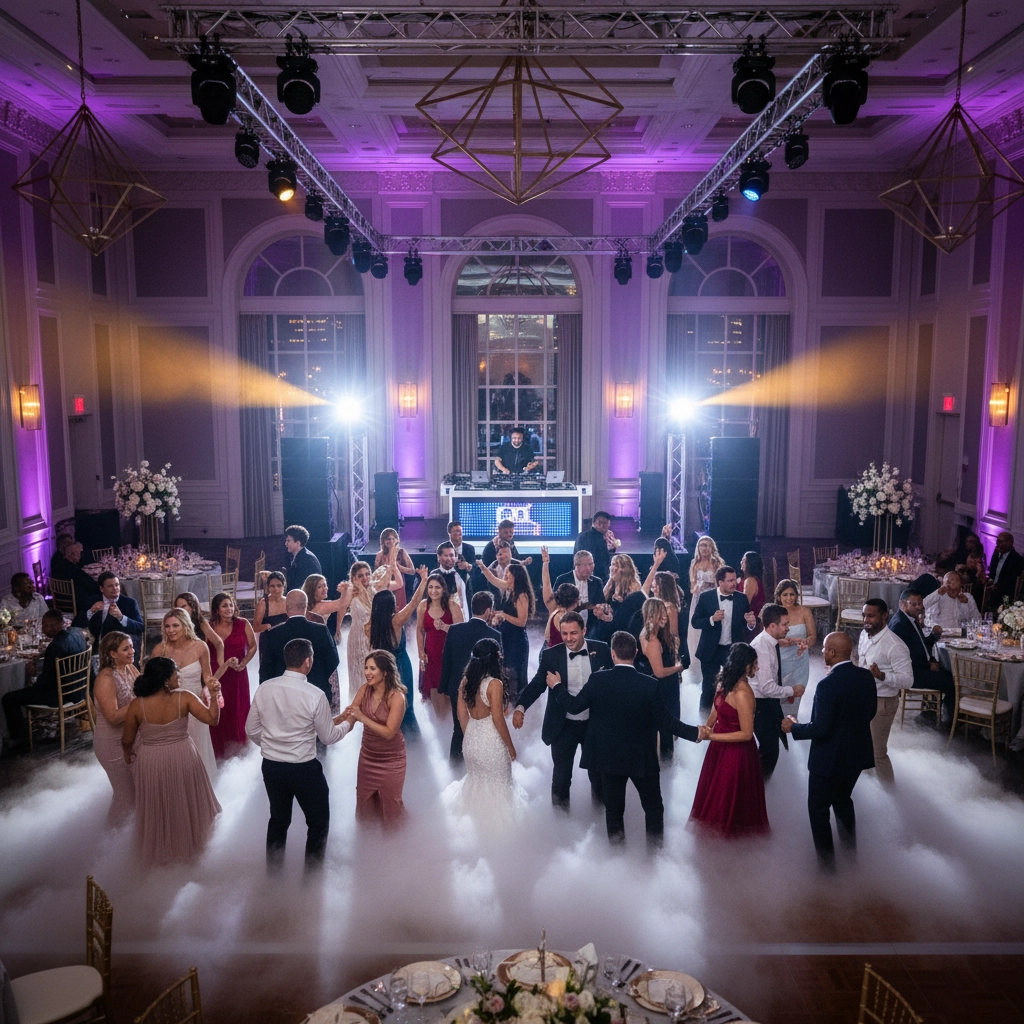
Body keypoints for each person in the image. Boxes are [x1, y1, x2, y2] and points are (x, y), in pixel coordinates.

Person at [545, 631, 702, 849]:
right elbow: (667, 722)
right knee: (654, 808)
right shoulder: (650, 685)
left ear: (612, 654)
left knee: (614, 810)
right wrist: (696, 733)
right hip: (642, 758)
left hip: (608, 758)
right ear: (636, 652)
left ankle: (617, 856)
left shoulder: (597, 680)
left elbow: (573, 706)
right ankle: (654, 855)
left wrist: (556, 686)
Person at [245, 638, 354, 871]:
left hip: (272, 767)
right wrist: (349, 724)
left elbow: (251, 730)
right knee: (318, 822)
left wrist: (272, 745)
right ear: (307, 661)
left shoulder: (265, 688)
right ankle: (311, 880)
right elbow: (328, 737)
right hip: (303, 768)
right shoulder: (315, 695)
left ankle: (273, 876)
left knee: (278, 820)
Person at [783, 632, 877, 872]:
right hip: (856, 755)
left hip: (829, 760)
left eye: (824, 649)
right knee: (843, 801)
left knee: (818, 810)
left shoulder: (827, 685)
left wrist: (793, 727)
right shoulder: (866, 677)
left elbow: (821, 728)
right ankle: (850, 858)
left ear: (833, 653)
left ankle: (827, 870)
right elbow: (870, 713)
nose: (822, 652)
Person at [121, 657, 222, 864]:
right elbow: (212, 719)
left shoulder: (136, 705)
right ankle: (191, 848)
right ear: (166, 679)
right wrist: (212, 694)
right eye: (176, 672)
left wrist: (127, 754)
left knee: (158, 805)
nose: (179, 675)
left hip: (150, 760)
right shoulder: (184, 697)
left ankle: (163, 852)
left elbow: (127, 740)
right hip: (183, 755)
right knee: (184, 800)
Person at [515, 611, 613, 811]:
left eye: (573, 633)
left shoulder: (602, 649)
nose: (568, 638)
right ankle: (560, 824)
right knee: (561, 776)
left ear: (584, 630)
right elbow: (537, 684)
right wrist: (521, 706)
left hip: (593, 724)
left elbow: (613, 684)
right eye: (564, 633)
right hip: (562, 724)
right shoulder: (551, 655)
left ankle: (600, 818)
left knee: (598, 776)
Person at [689, 642, 770, 838]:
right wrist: (705, 729)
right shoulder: (724, 684)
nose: (757, 667)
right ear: (744, 665)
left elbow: (746, 734)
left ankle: (729, 840)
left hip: (737, 752)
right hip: (721, 749)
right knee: (716, 794)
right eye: (755, 663)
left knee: (729, 797)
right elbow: (715, 713)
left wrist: (712, 736)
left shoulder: (744, 693)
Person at [444, 639, 526, 823]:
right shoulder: (494, 683)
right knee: (499, 788)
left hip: (471, 739)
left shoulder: (466, 680)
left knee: (476, 785)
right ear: (495, 657)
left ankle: (473, 828)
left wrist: (471, 737)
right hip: (491, 743)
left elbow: (461, 714)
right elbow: (497, 718)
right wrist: (510, 747)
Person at [153, 608, 232, 783]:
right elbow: (153, 682)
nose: (171, 630)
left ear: (185, 625)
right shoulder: (160, 649)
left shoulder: (200, 647)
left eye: (175, 625)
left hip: (196, 707)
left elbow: (207, 676)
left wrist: (212, 687)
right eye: (167, 626)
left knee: (198, 748)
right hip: (170, 710)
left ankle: (203, 787)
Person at [2, 610, 88, 746]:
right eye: (44, 626)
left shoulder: (55, 647)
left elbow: (45, 683)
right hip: (79, 690)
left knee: (8, 698)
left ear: (61, 624)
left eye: (51, 626)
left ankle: (19, 740)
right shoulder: (77, 634)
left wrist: (31, 678)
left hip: (61, 696)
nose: (47, 629)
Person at [439, 591, 502, 764]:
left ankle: (454, 769)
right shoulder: (495, 635)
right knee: (482, 731)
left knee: (458, 729)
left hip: (455, 687)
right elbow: (497, 669)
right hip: (483, 693)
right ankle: (477, 767)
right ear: (488, 611)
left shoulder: (454, 630)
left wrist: (444, 688)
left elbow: (446, 660)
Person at [856, 598, 913, 786]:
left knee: (877, 753)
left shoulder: (895, 645)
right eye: (864, 615)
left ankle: (891, 794)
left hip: (883, 703)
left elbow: (908, 680)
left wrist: (882, 676)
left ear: (884, 615)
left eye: (871, 616)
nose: (866, 620)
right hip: (863, 698)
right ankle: (869, 790)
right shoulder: (865, 634)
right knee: (862, 747)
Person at [368, 567, 430, 736]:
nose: (396, 603)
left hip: (382, 668)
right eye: (393, 601)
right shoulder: (396, 621)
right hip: (399, 666)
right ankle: (411, 741)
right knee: (405, 705)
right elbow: (413, 603)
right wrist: (424, 580)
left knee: (387, 705)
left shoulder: (372, 625)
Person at [349, 649, 408, 826]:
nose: (367, 672)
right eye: (366, 668)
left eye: (372, 668)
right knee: (365, 804)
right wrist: (326, 724)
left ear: (385, 671)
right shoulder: (364, 690)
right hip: (367, 757)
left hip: (392, 759)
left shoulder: (397, 696)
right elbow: (351, 715)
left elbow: (390, 732)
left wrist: (362, 717)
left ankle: (396, 845)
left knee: (391, 804)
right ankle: (366, 845)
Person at [258, 590, 341, 715]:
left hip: (284, 699)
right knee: (316, 733)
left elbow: (265, 670)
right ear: (305, 607)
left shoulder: (273, 634)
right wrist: (317, 677)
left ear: (286, 607)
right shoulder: (321, 630)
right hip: (317, 692)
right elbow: (334, 660)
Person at [749, 603, 806, 782]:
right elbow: (766, 687)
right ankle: (760, 788)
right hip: (760, 703)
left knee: (778, 742)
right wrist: (792, 690)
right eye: (784, 625)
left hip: (769, 701)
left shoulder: (770, 641)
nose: (788, 628)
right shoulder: (762, 648)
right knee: (769, 750)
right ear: (772, 626)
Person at [691, 565, 757, 715]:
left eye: (735, 580)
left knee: (736, 685)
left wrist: (751, 624)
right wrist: (712, 619)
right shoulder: (706, 597)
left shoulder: (742, 598)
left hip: (732, 650)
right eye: (730, 580)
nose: (735, 583)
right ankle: (704, 721)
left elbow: (747, 625)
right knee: (708, 687)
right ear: (720, 582)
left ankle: (733, 718)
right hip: (711, 650)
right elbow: (695, 622)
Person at [888, 587, 956, 723]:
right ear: (902, 604)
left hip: (918, 668)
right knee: (951, 680)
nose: (919, 607)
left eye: (920, 603)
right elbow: (903, 657)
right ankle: (950, 721)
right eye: (914, 604)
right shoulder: (900, 625)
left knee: (946, 672)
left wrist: (933, 636)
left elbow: (921, 647)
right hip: (912, 673)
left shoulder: (909, 619)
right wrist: (928, 665)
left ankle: (929, 712)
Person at [92, 631, 139, 825]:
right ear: (112, 654)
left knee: (134, 793)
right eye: (126, 649)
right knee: (125, 797)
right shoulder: (105, 678)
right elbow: (112, 717)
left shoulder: (129, 668)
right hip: (110, 743)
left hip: (129, 738)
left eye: (131, 647)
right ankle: (112, 841)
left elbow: (143, 689)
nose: (132, 651)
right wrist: (138, 705)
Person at [208, 592, 257, 759]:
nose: (229, 608)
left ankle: (240, 748)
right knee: (219, 710)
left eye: (230, 605)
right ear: (217, 610)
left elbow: (253, 647)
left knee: (238, 709)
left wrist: (244, 663)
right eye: (224, 606)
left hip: (237, 675)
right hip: (216, 674)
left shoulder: (243, 623)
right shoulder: (210, 627)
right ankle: (219, 750)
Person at [637, 598, 686, 764]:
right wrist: (678, 667)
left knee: (665, 729)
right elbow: (659, 672)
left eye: (664, 613)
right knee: (664, 730)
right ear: (652, 614)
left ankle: (665, 768)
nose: (664, 616)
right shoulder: (652, 640)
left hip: (666, 687)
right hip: (662, 688)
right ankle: (665, 767)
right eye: (661, 613)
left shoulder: (654, 633)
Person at [476, 560, 534, 697]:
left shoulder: (522, 595)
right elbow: (493, 580)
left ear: (516, 576)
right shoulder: (510, 589)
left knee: (514, 674)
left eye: (508, 573)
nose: (505, 575)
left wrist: (503, 615)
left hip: (517, 640)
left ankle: (516, 704)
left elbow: (521, 622)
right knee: (505, 671)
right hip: (506, 637)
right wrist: (483, 567)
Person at [416, 571, 464, 713]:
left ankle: (450, 722)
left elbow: (461, 632)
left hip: (448, 654)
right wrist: (420, 652)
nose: (433, 591)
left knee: (449, 690)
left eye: (437, 587)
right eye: (430, 587)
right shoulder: (423, 606)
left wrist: (444, 627)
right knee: (433, 691)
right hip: (430, 655)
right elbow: (419, 630)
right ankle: (437, 723)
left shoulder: (452, 606)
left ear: (443, 589)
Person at [687, 536, 725, 678]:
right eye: (702, 545)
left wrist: (708, 585)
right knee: (696, 628)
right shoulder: (694, 563)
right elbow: (692, 588)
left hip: (713, 599)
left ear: (712, 547)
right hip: (698, 599)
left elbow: (721, 585)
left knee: (712, 628)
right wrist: (696, 588)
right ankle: (696, 662)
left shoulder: (717, 563)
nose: (704, 548)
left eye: (707, 545)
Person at [591, 553, 645, 646]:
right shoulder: (612, 582)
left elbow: (634, 607)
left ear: (625, 569)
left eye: (617, 565)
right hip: (608, 620)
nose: (613, 568)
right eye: (612, 564)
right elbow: (602, 598)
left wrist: (622, 602)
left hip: (623, 623)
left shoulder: (633, 585)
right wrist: (610, 580)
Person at [774, 579, 815, 695]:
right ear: (779, 596)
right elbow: (768, 639)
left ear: (797, 595)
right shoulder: (773, 613)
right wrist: (786, 642)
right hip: (779, 660)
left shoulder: (805, 611)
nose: (789, 598)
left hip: (800, 660)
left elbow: (812, 636)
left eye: (792, 594)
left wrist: (805, 643)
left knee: (797, 695)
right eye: (785, 595)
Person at [344, 561, 376, 699]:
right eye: (361, 575)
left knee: (373, 674)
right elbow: (340, 612)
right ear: (353, 578)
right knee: (359, 674)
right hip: (357, 637)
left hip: (371, 638)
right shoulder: (350, 593)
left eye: (368, 574)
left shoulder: (373, 592)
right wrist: (338, 631)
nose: (365, 578)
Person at [85, 573, 144, 650]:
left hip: (120, 647)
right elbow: (77, 622)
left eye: (117, 585)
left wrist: (121, 618)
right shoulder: (92, 601)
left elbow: (140, 627)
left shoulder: (130, 603)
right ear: (101, 589)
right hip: (97, 645)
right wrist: (90, 612)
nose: (115, 588)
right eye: (110, 586)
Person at [554, 550, 605, 637]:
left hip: (590, 631)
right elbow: (555, 604)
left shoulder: (597, 582)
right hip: (566, 629)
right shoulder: (563, 580)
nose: (589, 568)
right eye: (585, 565)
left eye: (591, 564)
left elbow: (601, 603)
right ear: (576, 565)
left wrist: (601, 610)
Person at [50, 534, 101, 618]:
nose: (80, 556)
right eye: (78, 554)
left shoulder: (61, 566)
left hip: (61, 601)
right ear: (73, 555)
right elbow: (90, 585)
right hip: (76, 602)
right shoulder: (72, 569)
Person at [174, 592, 225, 669]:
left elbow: (218, 643)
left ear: (193, 606)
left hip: (198, 664)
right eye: (178, 608)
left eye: (183, 606)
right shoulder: (174, 623)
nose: (180, 610)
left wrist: (221, 665)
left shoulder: (201, 623)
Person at [374, 528, 416, 611]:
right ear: (383, 541)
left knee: (398, 610)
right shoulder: (380, 555)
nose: (391, 541)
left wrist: (399, 568)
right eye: (388, 539)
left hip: (399, 584)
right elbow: (376, 573)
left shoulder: (401, 552)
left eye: (393, 539)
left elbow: (412, 571)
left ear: (397, 540)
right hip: (385, 585)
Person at [302, 573, 352, 642]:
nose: (324, 589)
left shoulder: (306, 604)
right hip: (318, 641)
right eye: (319, 587)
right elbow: (342, 604)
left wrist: (338, 629)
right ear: (312, 590)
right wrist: (347, 590)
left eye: (325, 585)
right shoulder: (321, 606)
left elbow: (341, 606)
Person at [573, 510, 616, 583]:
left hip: (578, 577)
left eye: (608, 524)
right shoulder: (599, 539)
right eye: (606, 524)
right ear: (598, 523)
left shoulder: (581, 536)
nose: (607, 527)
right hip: (594, 580)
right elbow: (602, 563)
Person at [987, 531, 1024, 608]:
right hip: (992, 591)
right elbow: (993, 570)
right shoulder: (996, 553)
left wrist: (997, 586)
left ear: (1009, 543)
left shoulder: (1017, 560)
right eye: (997, 541)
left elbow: (1012, 581)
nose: (997, 544)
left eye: (1000, 542)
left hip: (1005, 594)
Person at [283, 524, 321, 593]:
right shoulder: (301, 556)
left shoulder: (307, 560)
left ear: (298, 543)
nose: (286, 544)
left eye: (288, 541)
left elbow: (299, 585)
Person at [435, 541, 469, 616]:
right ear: (439, 557)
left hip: (461, 618)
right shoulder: (434, 575)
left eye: (451, 555)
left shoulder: (461, 574)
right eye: (446, 555)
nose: (449, 558)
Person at [253, 571, 288, 639]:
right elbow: (255, 628)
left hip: (285, 638)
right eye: (272, 586)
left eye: (279, 585)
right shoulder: (263, 603)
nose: (276, 589)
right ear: (268, 587)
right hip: (268, 639)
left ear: (284, 586)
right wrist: (266, 627)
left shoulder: (288, 602)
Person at [740, 551, 767, 636]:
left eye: (744, 561)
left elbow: (744, 605)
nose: (741, 562)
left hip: (750, 623)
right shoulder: (756, 579)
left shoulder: (750, 581)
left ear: (750, 564)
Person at [447, 521, 476, 598]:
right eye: (456, 531)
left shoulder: (470, 548)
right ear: (449, 533)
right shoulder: (444, 548)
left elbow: (474, 566)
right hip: (448, 583)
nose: (459, 533)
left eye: (460, 531)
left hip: (466, 585)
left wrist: (468, 566)